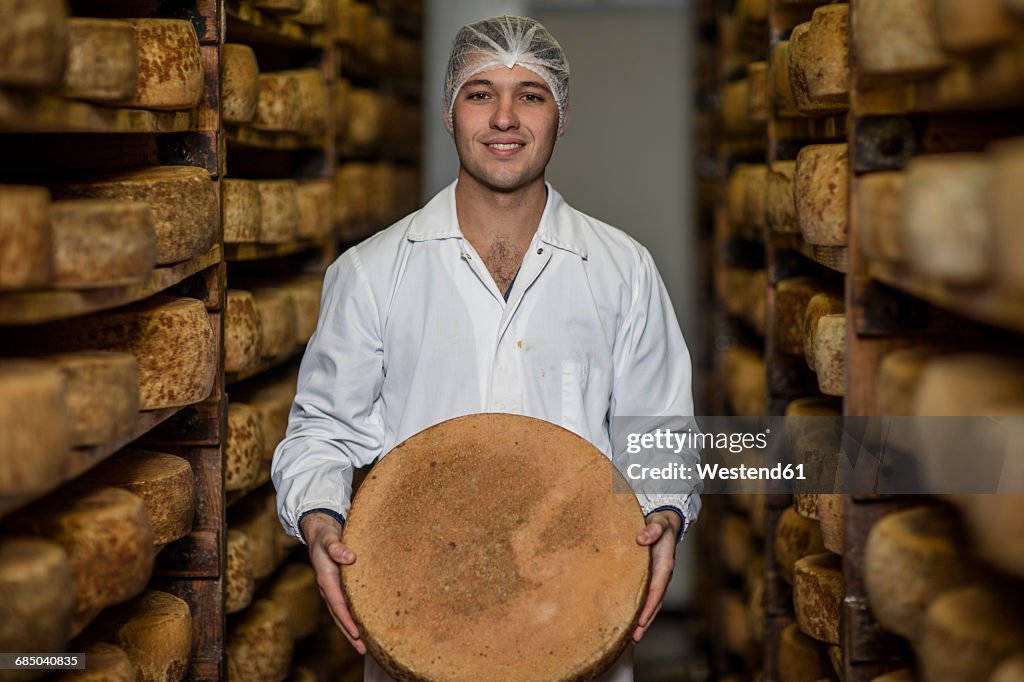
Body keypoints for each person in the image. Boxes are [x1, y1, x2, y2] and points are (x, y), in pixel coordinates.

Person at [272, 15, 701, 682]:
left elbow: (661, 433)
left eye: (530, 94)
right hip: (421, 619)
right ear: (449, 112)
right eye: (481, 94)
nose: (505, 117)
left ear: (561, 115)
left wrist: (666, 510)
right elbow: (322, 432)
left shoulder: (622, 269)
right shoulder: (372, 271)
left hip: (577, 615)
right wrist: (322, 518)